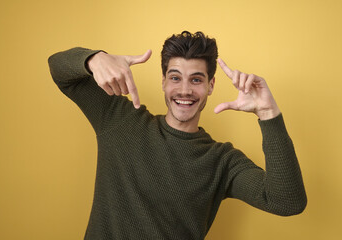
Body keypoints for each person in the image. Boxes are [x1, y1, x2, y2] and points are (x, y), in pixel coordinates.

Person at [48, 31, 307, 240]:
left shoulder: (222, 162)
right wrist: (94, 59)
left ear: (211, 86)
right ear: (163, 81)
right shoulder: (120, 121)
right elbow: (60, 70)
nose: (184, 90)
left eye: (196, 80)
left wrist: (268, 113)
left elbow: (287, 202)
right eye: (175, 77)